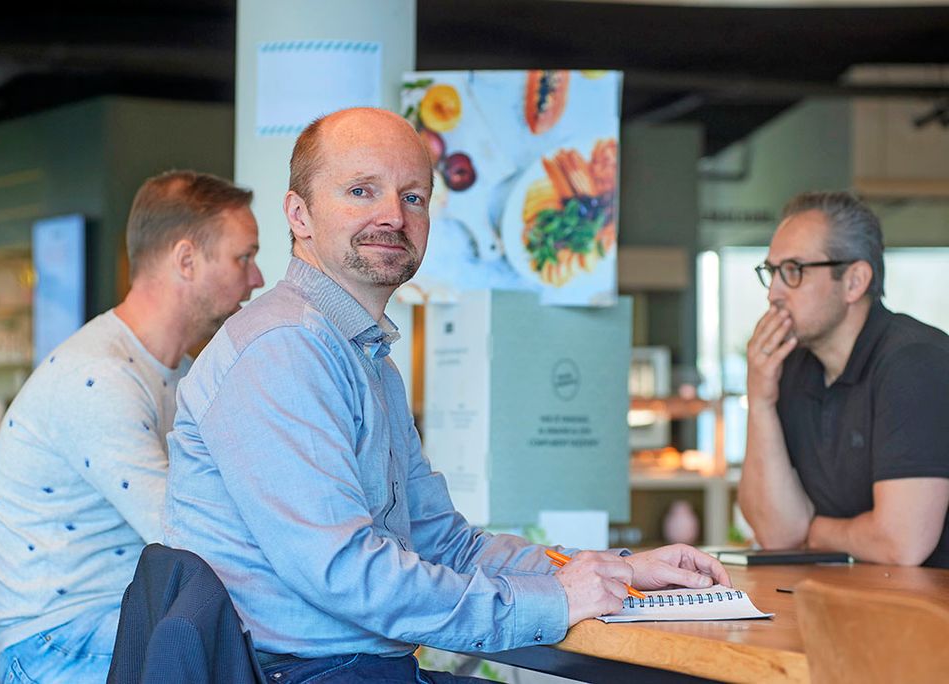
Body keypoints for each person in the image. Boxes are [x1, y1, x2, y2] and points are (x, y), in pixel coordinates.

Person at [164, 107, 729, 683]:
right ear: (299, 214)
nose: (392, 215)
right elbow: (345, 573)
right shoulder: (284, 348)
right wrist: (553, 601)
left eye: (414, 198)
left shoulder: (362, 355)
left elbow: (444, 543)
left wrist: (613, 571)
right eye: (362, 190)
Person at [0, 170, 265, 684]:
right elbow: (185, 537)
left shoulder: (176, 376)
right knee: (256, 659)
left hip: (114, 622)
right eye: (243, 257)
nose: (257, 278)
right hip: (52, 645)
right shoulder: (98, 378)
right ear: (186, 260)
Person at [739, 191, 949, 568]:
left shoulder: (914, 363)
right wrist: (760, 401)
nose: (773, 293)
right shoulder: (790, 367)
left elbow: (901, 544)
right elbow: (777, 534)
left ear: (854, 281)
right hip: (841, 603)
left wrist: (814, 531)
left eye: (794, 271)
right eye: (771, 272)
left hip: (929, 616)